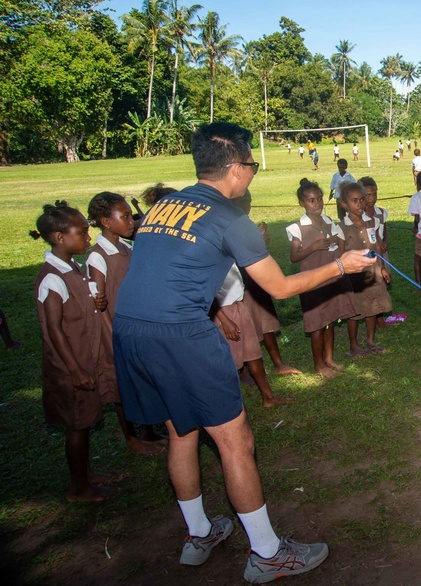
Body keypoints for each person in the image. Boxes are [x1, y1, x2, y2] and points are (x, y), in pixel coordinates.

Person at [113, 123, 375, 581]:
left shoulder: (164, 205)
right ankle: (268, 554)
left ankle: (199, 534)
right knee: (236, 442)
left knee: (181, 433)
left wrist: (212, 306)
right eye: (252, 163)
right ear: (236, 169)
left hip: (132, 331)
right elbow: (279, 287)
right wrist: (340, 265)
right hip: (181, 338)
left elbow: (170, 268)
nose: (252, 171)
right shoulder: (229, 217)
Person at [31, 202, 119, 502]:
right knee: (78, 426)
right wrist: (75, 370)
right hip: (71, 364)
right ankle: (78, 488)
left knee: (85, 420)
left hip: (85, 355)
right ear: (59, 237)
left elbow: (79, 306)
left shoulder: (72, 268)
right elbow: (53, 329)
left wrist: (95, 302)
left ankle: (85, 473)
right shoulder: (52, 277)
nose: (88, 238)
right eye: (82, 233)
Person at [86, 192, 165, 455]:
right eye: (126, 216)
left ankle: (147, 430)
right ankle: (131, 437)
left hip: (137, 326)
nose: (132, 221)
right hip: (116, 332)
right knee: (122, 387)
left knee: (141, 379)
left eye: (131, 216)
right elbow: (98, 304)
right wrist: (114, 338)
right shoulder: (98, 257)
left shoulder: (124, 247)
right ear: (106, 222)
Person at [287, 178, 357, 378]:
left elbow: (339, 247)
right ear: (302, 203)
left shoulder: (329, 222)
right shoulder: (298, 227)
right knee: (317, 323)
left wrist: (335, 242)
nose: (317, 204)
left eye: (319, 199)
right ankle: (319, 365)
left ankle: (329, 358)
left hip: (331, 278)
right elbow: (294, 257)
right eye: (311, 200)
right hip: (311, 282)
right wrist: (313, 247)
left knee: (330, 320)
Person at [234, 191, 301, 376]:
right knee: (246, 328)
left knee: (266, 324)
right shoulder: (230, 226)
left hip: (257, 282)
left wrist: (261, 240)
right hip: (240, 286)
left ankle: (278, 364)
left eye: (248, 200)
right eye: (242, 200)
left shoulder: (245, 224)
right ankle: (246, 370)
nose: (246, 205)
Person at [211, 261, 295, 407]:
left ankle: (268, 397)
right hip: (224, 312)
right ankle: (228, 407)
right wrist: (224, 320)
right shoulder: (207, 256)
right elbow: (207, 293)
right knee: (228, 362)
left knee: (253, 355)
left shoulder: (226, 251)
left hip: (239, 305)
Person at [340, 182, 392, 356]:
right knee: (354, 311)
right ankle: (354, 346)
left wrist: (383, 268)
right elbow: (340, 255)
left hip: (373, 274)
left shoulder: (372, 221)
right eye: (354, 201)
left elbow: (377, 247)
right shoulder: (341, 227)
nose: (360, 204)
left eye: (362, 199)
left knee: (373, 307)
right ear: (344, 204)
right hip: (354, 277)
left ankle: (370, 342)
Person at [360, 176, 388, 257]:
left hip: (382, 255)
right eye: (368, 195)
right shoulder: (358, 216)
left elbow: (384, 232)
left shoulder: (381, 213)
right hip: (365, 255)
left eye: (374, 194)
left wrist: (385, 242)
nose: (372, 198)